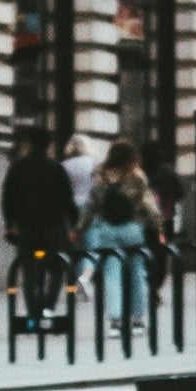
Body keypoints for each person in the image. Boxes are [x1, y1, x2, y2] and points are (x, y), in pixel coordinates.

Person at [82, 138, 156, 339]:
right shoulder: (136, 175)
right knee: (137, 274)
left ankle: (115, 323)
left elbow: (91, 206)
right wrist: (157, 227)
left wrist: (80, 228)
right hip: (132, 228)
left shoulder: (102, 176)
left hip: (108, 229)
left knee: (112, 275)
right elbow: (148, 204)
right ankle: (138, 321)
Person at [1, 136, 74, 324]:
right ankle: (49, 306)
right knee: (57, 267)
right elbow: (67, 198)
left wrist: (9, 224)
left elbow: (8, 197)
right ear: (48, 147)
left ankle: (33, 311)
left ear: (29, 145)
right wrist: (73, 225)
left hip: (27, 226)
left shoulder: (18, 168)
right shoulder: (56, 168)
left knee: (29, 269)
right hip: (52, 226)